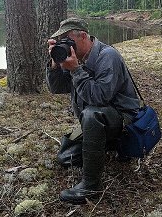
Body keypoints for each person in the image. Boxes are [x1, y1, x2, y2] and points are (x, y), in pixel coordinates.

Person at [46, 17, 140, 204]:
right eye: (61, 42)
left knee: (91, 115)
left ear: (83, 36)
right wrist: (55, 65)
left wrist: (76, 71)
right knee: (66, 158)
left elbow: (99, 98)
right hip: (99, 120)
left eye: (68, 40)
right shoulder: (76, 58)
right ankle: (104, 147)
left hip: (124, 119)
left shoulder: (108, 56)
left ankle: (91, 185)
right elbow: (56, 89)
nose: (66, 46)